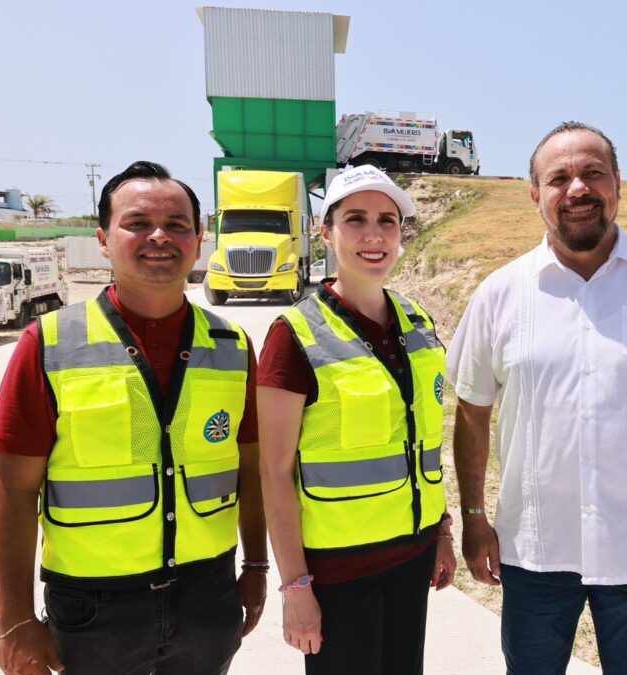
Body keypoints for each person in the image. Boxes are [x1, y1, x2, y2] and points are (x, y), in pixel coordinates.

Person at [447, 122, 627, 675]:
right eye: (559, 178)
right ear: (536, 196)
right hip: (532, 551)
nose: (577, 189)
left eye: (593, 174)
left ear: (618, 185)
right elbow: (473, 410)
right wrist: (477, 516)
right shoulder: (500, 294)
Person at [0, 161, 268, 675]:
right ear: (102, 238)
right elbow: (14, 489)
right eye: (137, 223)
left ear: (199, 240)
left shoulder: (231, 346)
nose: (159, 236)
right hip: (94, 612)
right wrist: (15, 619)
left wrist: (255, 564)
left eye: (178, 225)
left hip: (208, 597)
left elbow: (251, 469)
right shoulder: (49, 344)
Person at [257, 165, 456, 675]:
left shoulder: (417, 321)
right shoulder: (295, 334)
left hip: (411, 558)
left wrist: (442, 534)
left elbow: (424, 439)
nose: (374, 235)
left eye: (387, 221)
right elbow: (274, 472)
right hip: (339, 573)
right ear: (326, 232)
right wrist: (295, 586)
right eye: (356, 219)